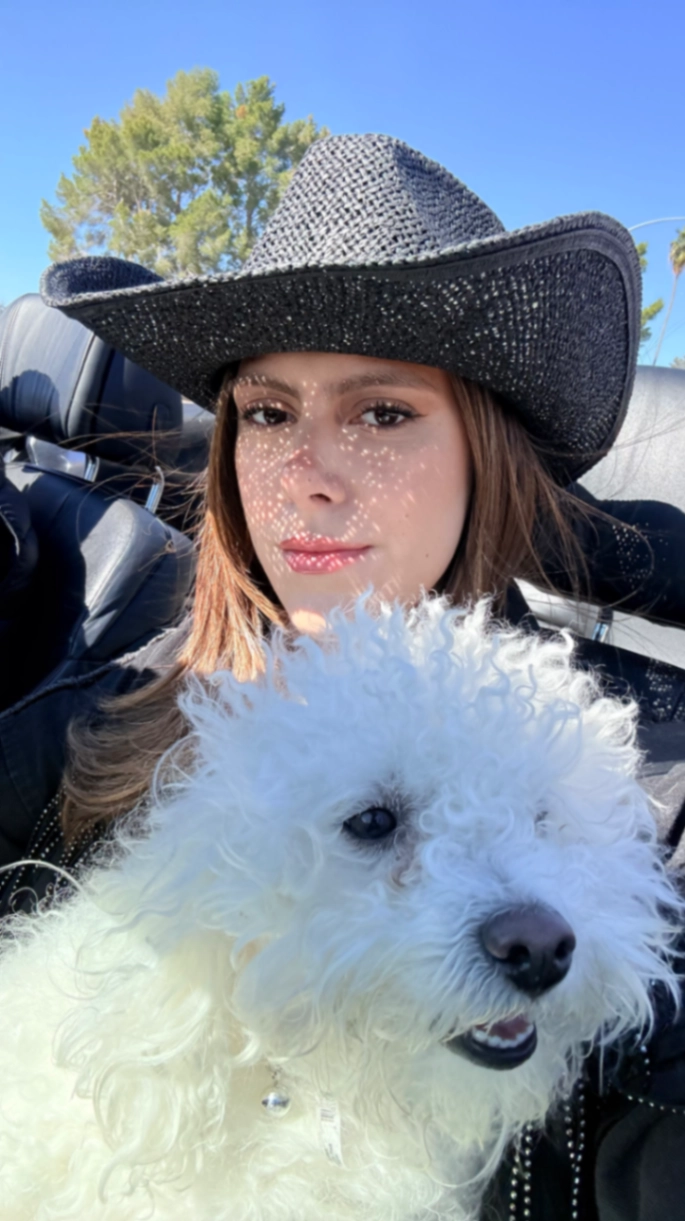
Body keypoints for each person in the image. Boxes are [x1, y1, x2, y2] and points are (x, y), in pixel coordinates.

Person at [2, 132, 685, 1220]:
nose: (306, 478)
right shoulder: (91, 712)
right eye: (269, 414)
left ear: (486, 448)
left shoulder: (644, 794)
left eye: (381, 412)